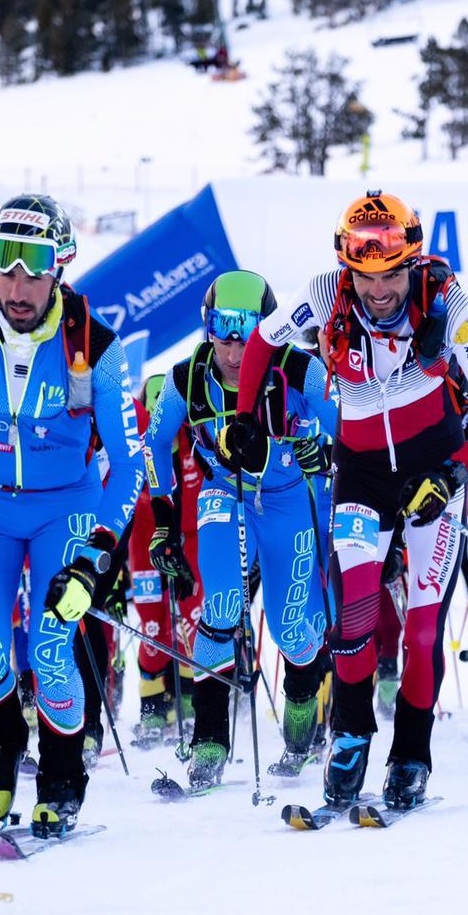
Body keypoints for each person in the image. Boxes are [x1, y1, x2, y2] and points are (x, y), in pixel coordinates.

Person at [232, 191, 468, 810]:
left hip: (430, 476)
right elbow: (260, 344)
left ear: (412, 264)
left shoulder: (446, 299)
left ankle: (412, 753)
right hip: (360, 473)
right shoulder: (322, 292)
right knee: (356, 613)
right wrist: (246, 415)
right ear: (348, 267)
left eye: (390, 273)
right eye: (366, 275)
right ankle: (351, 736)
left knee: (420, 626)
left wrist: (454, 473)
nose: (378, 289)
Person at [0, 194, 143, 836]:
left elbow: (129, 468)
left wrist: (95, 557)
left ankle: (62, 776)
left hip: (64, 509)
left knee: (50, 649)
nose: (18, 287)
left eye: (35, 269)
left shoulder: (96, 345)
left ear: (61, 267)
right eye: (4, 267)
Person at [133, 270, 337, 790]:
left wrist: (323, 451)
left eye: (247, 327)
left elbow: (347, 423)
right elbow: (155, 447)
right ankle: (209, 742)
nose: (232, 341)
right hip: (226, 493)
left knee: (293, 629)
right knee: (220, 607)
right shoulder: (186, 377)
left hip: (287, 499)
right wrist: (162, 528)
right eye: (222, 325)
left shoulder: (299, 368)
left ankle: (301, 723)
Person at [125, 372, 203, 748]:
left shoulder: (195, 440)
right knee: (152, 624)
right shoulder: (138, 446)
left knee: (194, 619)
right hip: (145, 543)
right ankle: (153, 704)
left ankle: (192, 697)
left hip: (193, 540)